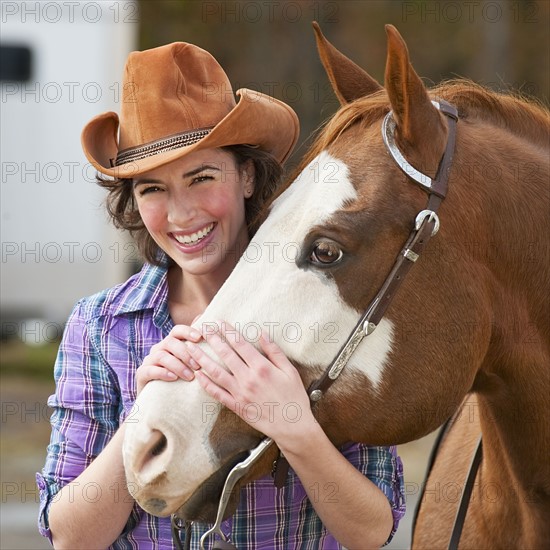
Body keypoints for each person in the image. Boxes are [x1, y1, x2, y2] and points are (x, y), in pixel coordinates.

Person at [37, 41, 405, 549]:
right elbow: (70, 539)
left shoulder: (325, 303)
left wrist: (295, 429)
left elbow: (373, 532)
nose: (182, 213)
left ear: (247, 175)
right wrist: (145, 416)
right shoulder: (100, 326)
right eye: (152, 189)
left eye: (201, 177)